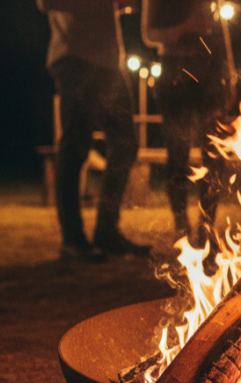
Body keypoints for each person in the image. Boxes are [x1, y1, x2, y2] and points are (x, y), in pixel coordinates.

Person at [38, 0, 152, 261]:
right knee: (75, 146)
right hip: (75, 56)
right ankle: (72, 240)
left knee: (125, 144)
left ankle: (106, 232)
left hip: (107, 61)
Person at [142, 0, 233, 249]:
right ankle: (181, 224)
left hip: (209, 71)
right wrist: (183, 28)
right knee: (177, 153)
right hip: (174, 71)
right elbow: (149, 34)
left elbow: (221, 32)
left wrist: (228, 75)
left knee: (214, 152)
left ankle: (206, 224)